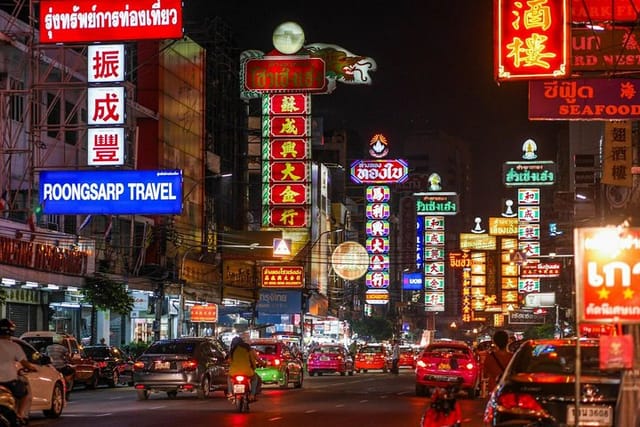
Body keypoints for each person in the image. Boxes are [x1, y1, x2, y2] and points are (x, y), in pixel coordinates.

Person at [0, 319, 38, 425]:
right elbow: (25, 363)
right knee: (25, 394)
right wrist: (33, 368)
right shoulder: (14, 346)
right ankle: (20, 415)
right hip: (9, 381)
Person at [227, 336, 259, 401]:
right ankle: (252, 394)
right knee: (255, 378)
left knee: (229, 378)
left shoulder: (232, 350)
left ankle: (230, 393)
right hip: (247, 371)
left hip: (234, 372)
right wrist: (254, 368)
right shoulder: (248, 348)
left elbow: (229, 362)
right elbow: (253, 360)